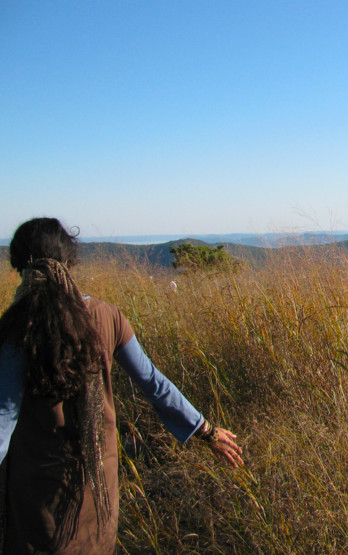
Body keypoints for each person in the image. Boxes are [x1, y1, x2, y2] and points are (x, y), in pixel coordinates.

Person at [0, 218, 244, 553]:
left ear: (20, 266)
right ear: (70, 263)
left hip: (37, 493)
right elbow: (154, 384)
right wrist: (206, 430)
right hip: (98, 484)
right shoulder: (108, 317)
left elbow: (4, 417)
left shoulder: (15, 328)